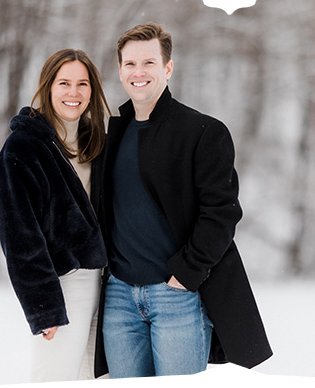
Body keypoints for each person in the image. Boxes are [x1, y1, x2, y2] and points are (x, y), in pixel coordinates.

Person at [95, 22, 271, 378]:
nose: (138, 72)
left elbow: (222, 212)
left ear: (168, 68)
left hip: (176, 295)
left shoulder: (202, 131)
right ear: (119, 70)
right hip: (119, 298)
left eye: (149, 63)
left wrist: (186, 272)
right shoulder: (111, 133)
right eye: (130, 64)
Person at [0, 49, 111, 382]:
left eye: (82, 84)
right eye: (65, 83)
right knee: (53, 379)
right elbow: (20, 239)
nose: (74, 92)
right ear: (47, 87)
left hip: (109, 287)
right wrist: (43, 307)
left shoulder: (97, 144)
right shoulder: (22, 149)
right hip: (63, 285)